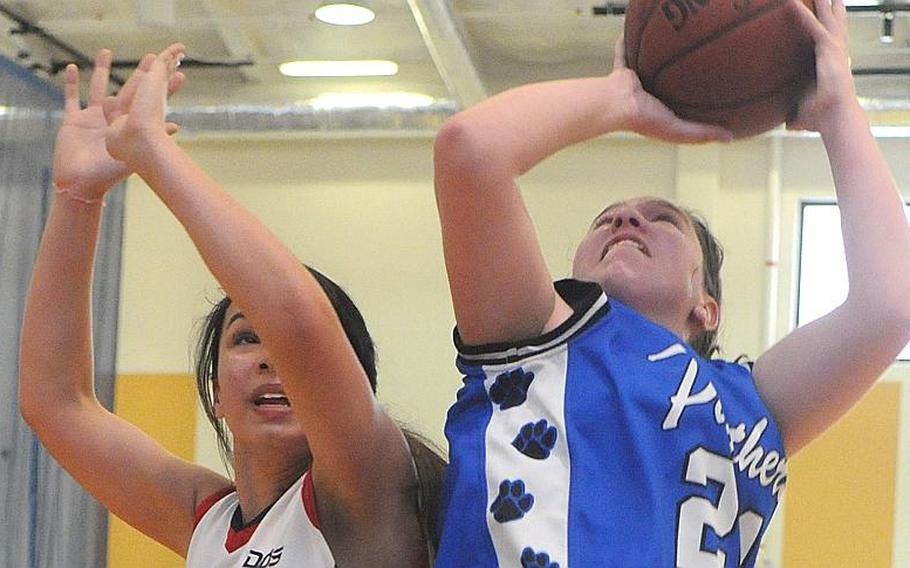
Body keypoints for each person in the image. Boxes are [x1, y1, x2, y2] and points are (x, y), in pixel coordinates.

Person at [431, 0, 910, 566]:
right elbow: (471, 151)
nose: (625, 220)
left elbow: (891, 306)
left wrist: (839, 111)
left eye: (661, 219)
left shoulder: (752, 404)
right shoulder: (535, 337)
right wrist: (622, 99)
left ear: (706, 307)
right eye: (605, 220)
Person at [19, 45, 444, 567]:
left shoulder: (367, 485)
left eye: (282, 344)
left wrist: (155, 152)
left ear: (346, 385)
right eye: (245, 338)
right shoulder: (208, 521)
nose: (272, 357)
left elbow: (298, 324)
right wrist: (77, 197)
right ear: (217, 392)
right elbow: (57, 403)